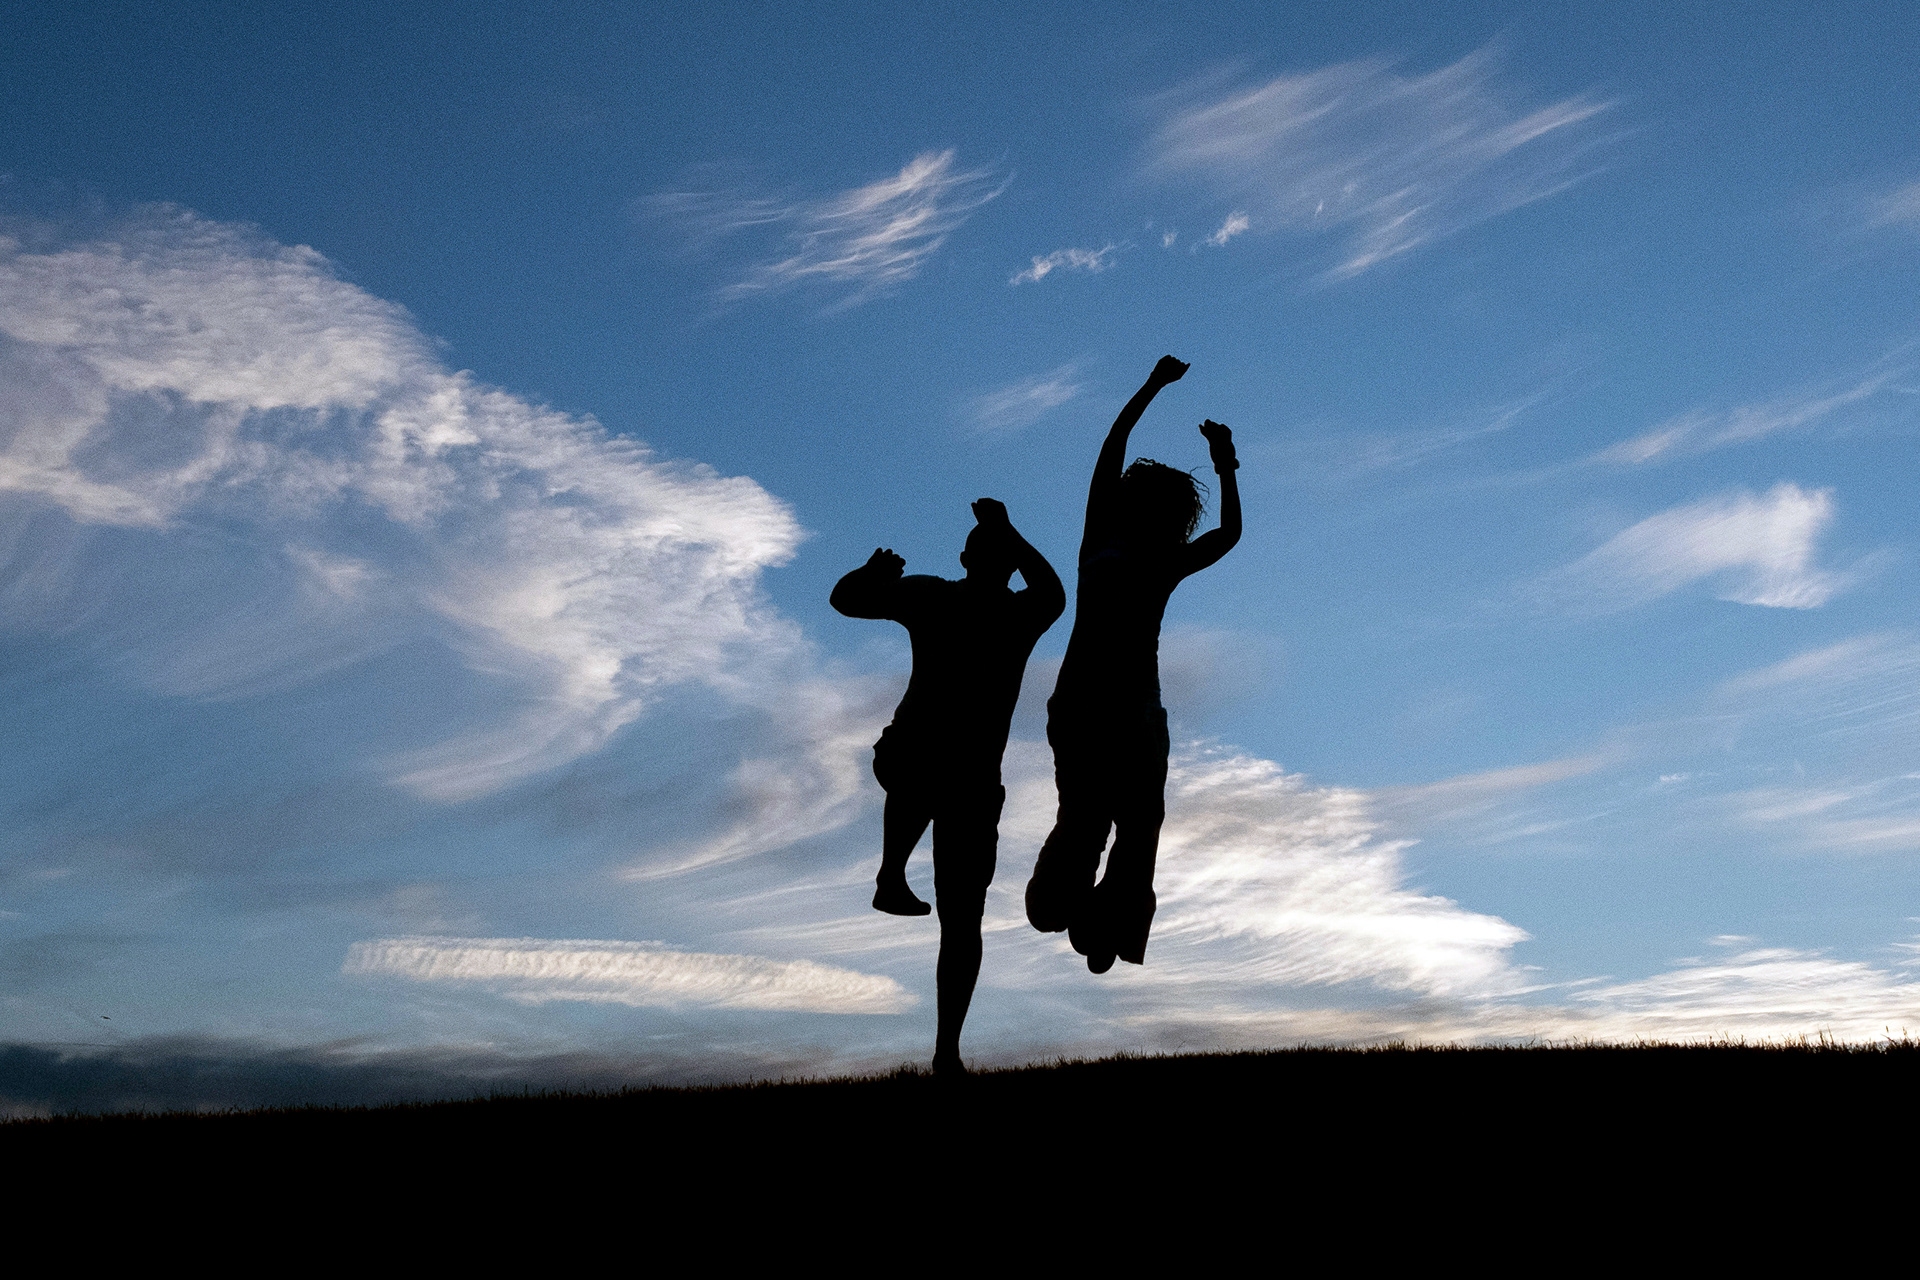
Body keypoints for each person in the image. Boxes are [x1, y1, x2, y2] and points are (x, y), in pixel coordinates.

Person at [831, 498, 1064, 1073]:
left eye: (1001, 549)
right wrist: (870, 575)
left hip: (974, 783)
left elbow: (1055, 592)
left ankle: (946, 1053)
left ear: (1010, 559)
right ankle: (890, 873)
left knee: (963, 920)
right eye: (983, 545)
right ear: (964, 557)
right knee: (927, 762)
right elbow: (845, 600)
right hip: (911, 754)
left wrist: (1008, 529)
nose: (993, 552)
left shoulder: (1020, 615)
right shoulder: (931, 593)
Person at [1024, 355, 1241, 974]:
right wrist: (1153, 387)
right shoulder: (1103, 537)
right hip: (1096, 704)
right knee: (1096, 816)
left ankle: (1105, 921)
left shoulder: (1154, 559)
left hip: (1126, 706)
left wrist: (1225, 461)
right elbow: (1113, 447)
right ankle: (1067, 904)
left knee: (1134, 822)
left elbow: (1226, 535)